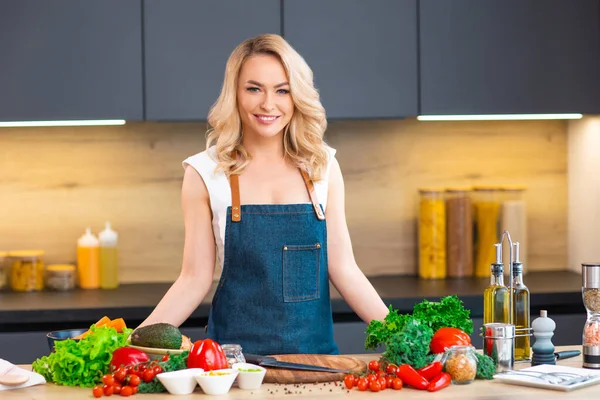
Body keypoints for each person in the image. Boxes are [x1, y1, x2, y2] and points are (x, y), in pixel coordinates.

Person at [139, 33, 388, 355]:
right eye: (254, 88)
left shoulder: (322, 166)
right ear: (235, 94)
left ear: (297, 96)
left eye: (282, 90)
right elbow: (193, 280)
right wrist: (132, 345)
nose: (268, 104)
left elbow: (344, 269)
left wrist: (406, 336)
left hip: (315, 365)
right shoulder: (204, 172)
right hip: (229, 369)